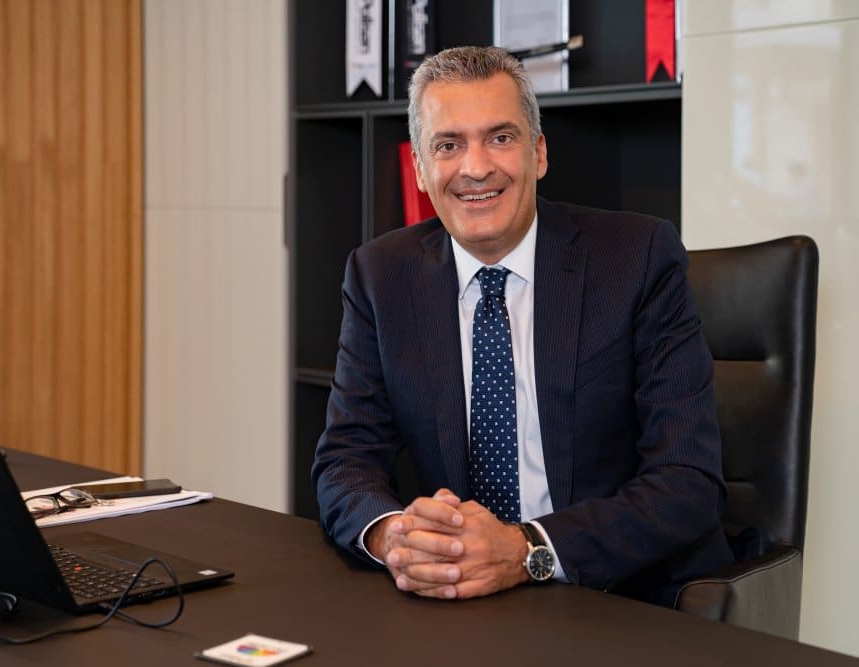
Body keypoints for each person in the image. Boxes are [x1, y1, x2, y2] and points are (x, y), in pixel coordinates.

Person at [311, 46, 733, 606]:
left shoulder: (636, 258)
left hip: (618, 594)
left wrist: (524, 550)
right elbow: (345, 460)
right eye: (448, 145)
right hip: (464, 596)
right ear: (419, 170)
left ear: (538, 153)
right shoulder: (380, 276)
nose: (475, 167)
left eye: (500, 138)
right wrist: (397, 538)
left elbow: (687, 480)